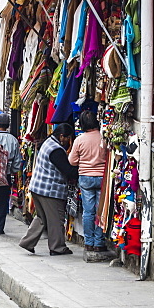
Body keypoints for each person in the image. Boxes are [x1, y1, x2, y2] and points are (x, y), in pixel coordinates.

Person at [19, 124, 79, 256]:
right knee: (56, 219)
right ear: (61, 136)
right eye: (68, 138)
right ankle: (57, 247)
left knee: (41, 217)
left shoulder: (47, 143)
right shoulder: (56, 150)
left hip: (38, 188)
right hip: (50, 191)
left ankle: (27, 242)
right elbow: (68, 171)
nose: (68, 141)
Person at [68, 111, 113, 258]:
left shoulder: (79, 140)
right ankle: (99, 244)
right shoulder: (103, 137)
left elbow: (72, 161)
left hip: (85, 177)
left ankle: (89, 243)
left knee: (88, 211)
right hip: (102, 178)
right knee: (100, 211)